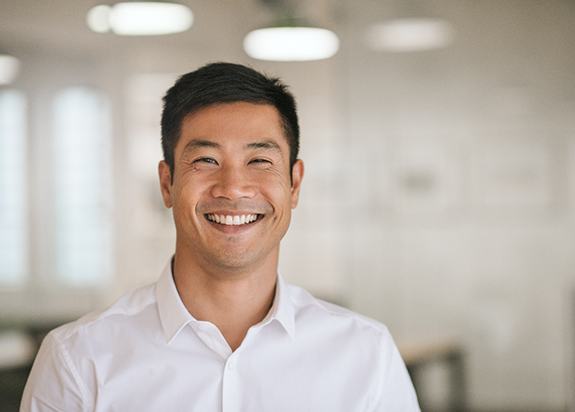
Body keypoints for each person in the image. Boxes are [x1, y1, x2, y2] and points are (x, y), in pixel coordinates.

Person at [21, 62, 420, 411]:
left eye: (260, 160)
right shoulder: (78, 359)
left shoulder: (366, 353)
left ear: (294, 185)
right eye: (206, 160)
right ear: (167, 183)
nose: (233, 187)